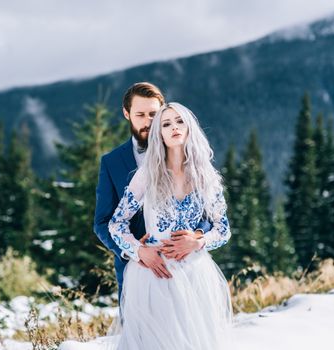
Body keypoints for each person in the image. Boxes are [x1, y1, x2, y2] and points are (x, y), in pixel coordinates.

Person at [60, 102, 234, 350]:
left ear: (189, 127)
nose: (174, 127)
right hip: (155, 274)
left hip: (196, 273)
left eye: (179, 121)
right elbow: (116, 224)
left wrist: (198, 241)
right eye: (166, 124)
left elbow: (223, 228)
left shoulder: (206, 176)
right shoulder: (147, 175)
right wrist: (139, 251)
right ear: (158, 134)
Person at [92, 83, 215, 305]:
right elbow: (102, 222)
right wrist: (136, 252)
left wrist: (195, 236)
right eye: (140, 114)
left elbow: (208, 214)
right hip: (137, 270)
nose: (148, 121)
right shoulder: (111, 162)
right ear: (126, 114)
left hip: (187, 267)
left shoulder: (193, 164)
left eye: (154, 114)